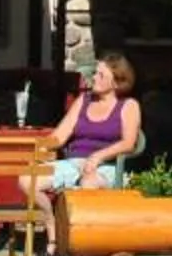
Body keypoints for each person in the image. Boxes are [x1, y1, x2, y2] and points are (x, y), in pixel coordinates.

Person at [25, 54, 142, 205]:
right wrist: (39, 148)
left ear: (116, 83)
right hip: (74, 163)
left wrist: (99, 156)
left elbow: (129, 143)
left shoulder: (128, 105)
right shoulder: (84, 100)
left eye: (101, 75)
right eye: (95, 73)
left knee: (88, 184)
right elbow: (59, 137)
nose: (94, 78)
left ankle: (87, 227)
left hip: (108, 166)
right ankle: (52, 223)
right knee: (28, 179)